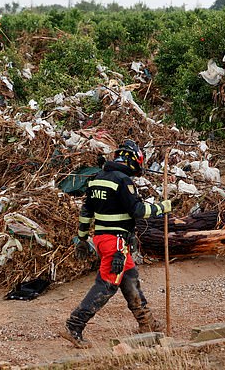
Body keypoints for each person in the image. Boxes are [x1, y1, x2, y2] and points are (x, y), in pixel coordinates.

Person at [60, 140, 171, 348]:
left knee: (130, 277)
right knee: (107, 285)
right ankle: (74, 325)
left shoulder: (96, 179)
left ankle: (146, 322)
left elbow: (86, 213)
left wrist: (82, 239)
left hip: (102, 239)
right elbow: (138, 211)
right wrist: (162, 207)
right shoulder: (123, 181)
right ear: (133, 160)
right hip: (116, 242)